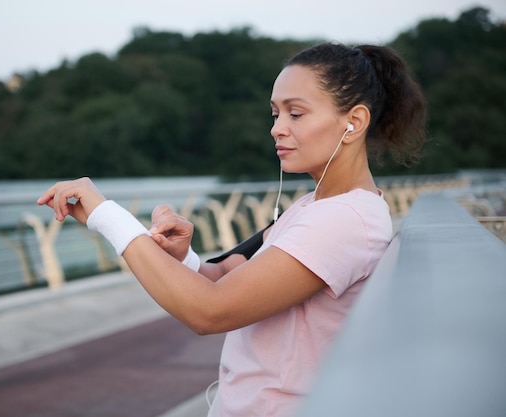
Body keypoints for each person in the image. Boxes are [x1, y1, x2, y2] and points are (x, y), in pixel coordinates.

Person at [37, 42, 426, 416]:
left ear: (353, 122)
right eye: (275, 114)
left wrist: (109, 216)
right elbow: (229, 276)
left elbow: (211, 312)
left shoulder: (344, 219)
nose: (277, 128)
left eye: (296, 113)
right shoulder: (317, 206)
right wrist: (185, 260)